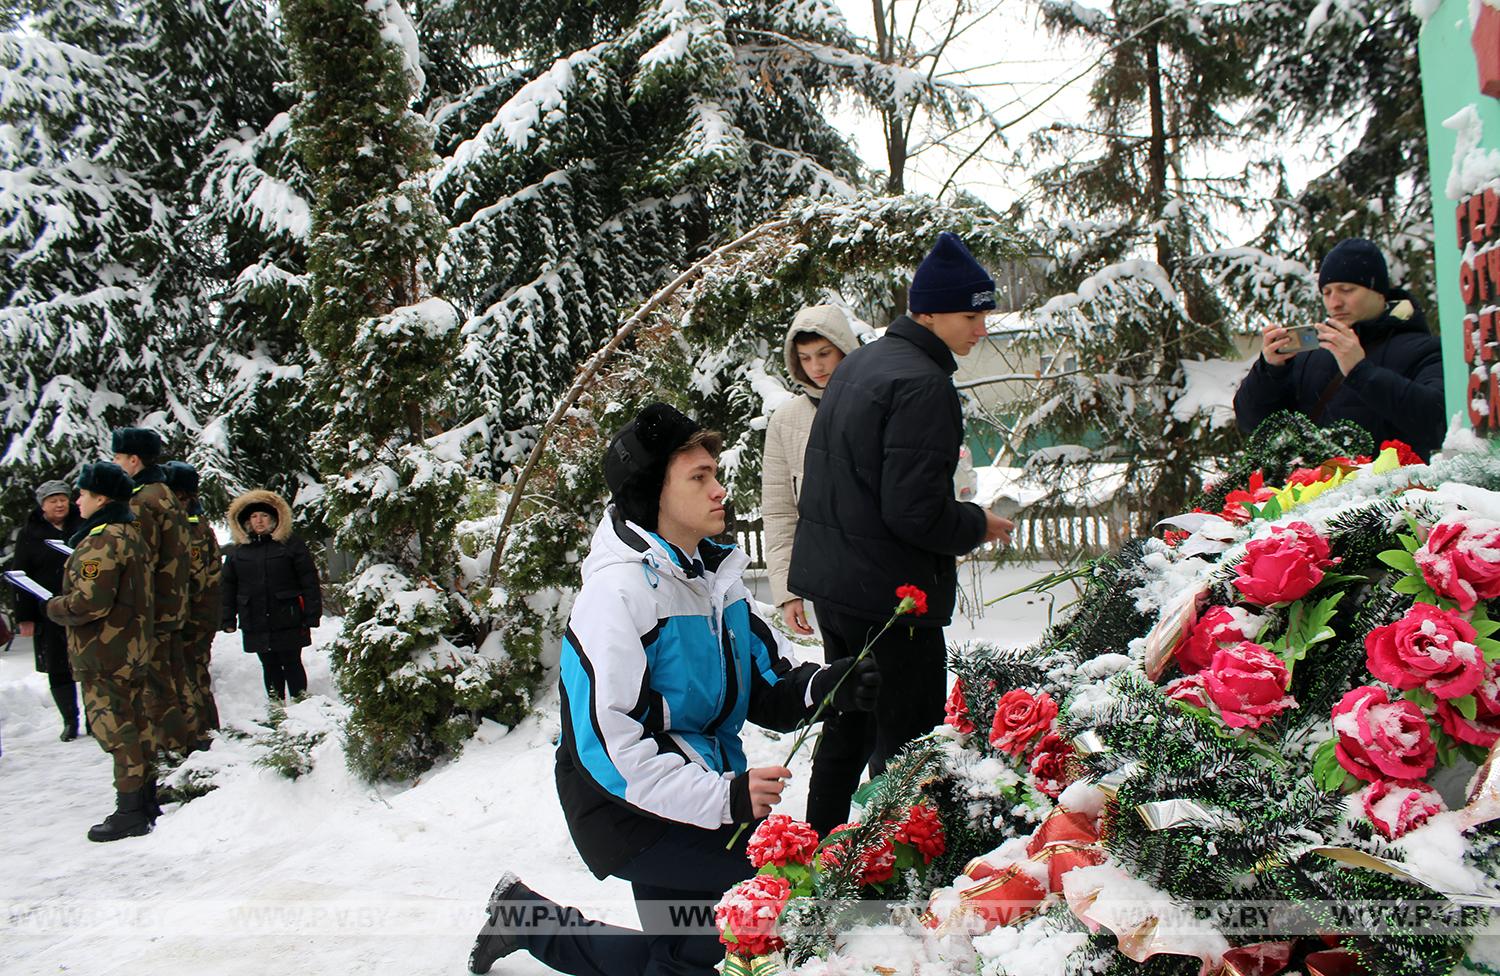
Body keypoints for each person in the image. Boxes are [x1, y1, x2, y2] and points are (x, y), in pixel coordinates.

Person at [468, 402, 881, 976]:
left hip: (701, 794)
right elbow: (609, 749)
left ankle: (525, 918)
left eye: (714, 473)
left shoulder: (714, 582)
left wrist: (822, 688)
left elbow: (765, 683)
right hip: (625, 806)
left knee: (701, 946)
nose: (719, 489)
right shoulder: (616, 597)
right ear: (652, 494)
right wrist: (724, 798)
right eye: (698, 477)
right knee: (755, 915)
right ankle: (533, 923)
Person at [788, 231, 1015, 838]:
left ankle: (819, 850)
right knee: (909, 749)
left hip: (838, 587)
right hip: (889, 602)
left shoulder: (864, 363)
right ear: (931, 312)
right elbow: (914, 512)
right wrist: (975, 523)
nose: (981, 329)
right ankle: (894, 871)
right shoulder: (922, 383)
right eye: (972, 315)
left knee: (849, 722)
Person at [1233, 237, 1446, 460]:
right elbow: (1253, 423)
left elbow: (1437, 423)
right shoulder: (1310, 354)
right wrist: (1270, 371)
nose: (1334, 303)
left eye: (1347, 290)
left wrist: (1360, 371)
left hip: (1395, 491)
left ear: (1380, 292)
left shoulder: (1425, 349)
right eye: (1327, 292)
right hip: (1311, 491)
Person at [45, 462, 155, 841]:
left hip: (106, 651)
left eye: (82, 494)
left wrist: (54, 606)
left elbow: (91, 602)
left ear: (101, 498)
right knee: (137, 723)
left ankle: (129, 813)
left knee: (116, 730)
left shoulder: (101, 540)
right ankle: (145, 800)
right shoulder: (128, 534)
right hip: (131, 647)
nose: (77, 501)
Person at [761, 305, 859, 635]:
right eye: (804, 357)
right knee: (847, 682)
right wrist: (788, 591)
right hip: (828, 586)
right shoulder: (785, 421)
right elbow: (778, 512)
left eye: (824, 353)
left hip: (885, 580)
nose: (815, 367)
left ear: (844, 347)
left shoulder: (877, 404)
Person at [112, 427, 196, 754]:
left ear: (133, 460)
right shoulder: (163, 492)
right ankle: (191, 742)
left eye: (118, 458)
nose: (116, 464)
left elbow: (139, 558)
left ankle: (174, 753)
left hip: (153, 609)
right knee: (176, 678)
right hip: (171, 605)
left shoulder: (142, 499)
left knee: (159, 687)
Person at [221, 489, 321, 701]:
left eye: (264, 516)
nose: (259, 521)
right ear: (246, 521)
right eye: (254, 516)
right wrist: (227, 618)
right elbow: (228, 586)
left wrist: (312, 613)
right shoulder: (238, 552)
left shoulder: (291, 545)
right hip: (255, 618)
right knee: (269, 664)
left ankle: (301, 703)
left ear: (275, 518)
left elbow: (308, 580)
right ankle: (277, 708)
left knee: (291, 661)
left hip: (288, 615)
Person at [10, 479, 84, 740]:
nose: (60, 504)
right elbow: (21, 576)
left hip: (83, 606)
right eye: (53, 500)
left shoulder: (83, 523)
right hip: (48, 610)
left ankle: (98, 719)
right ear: (43, 505)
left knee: (89, 663)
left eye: (63, 498)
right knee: (58, 666)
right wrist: (25, 617)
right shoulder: (30, 533)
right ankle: (70, 720)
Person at [163, 461, 221, 738]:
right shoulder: (184, 522)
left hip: (194, 618)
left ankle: (205, 734)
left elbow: (195, 578)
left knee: (194, 677)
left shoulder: (192, 527)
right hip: (190, 615)